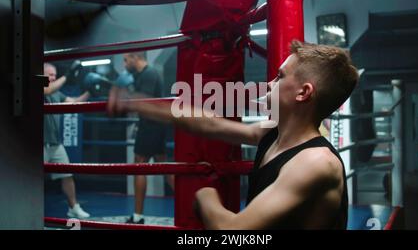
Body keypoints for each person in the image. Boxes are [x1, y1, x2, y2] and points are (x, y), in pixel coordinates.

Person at [107, 41, 359, 229]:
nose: (269, 83)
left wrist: (206, 198)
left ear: (303, 93)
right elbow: (210, 125)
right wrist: (138, 104)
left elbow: (233, 232)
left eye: (279, 76)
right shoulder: (274, 132)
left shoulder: (314, 163)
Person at [122, 52, 172, 224]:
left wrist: (124, 97)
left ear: (135, 57)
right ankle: (189, 203)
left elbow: (143, 104)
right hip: (155, 126)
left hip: (151, 126)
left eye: (126, 59)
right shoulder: (144, 75)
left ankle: (137, 216)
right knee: (164, 167)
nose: (124, 63)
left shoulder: (149, 74)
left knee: (139, 166)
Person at [44, 62, 91, 219]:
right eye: (50, 74)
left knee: (67, 175)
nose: (53, 77)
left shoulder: (56, 94)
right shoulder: (37, 86)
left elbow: (74, 102)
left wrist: (90, 91)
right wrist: (67, 76)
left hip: (55, 144)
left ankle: (73, 207)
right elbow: (48, 88)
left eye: (55, 75)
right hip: (39, 144)